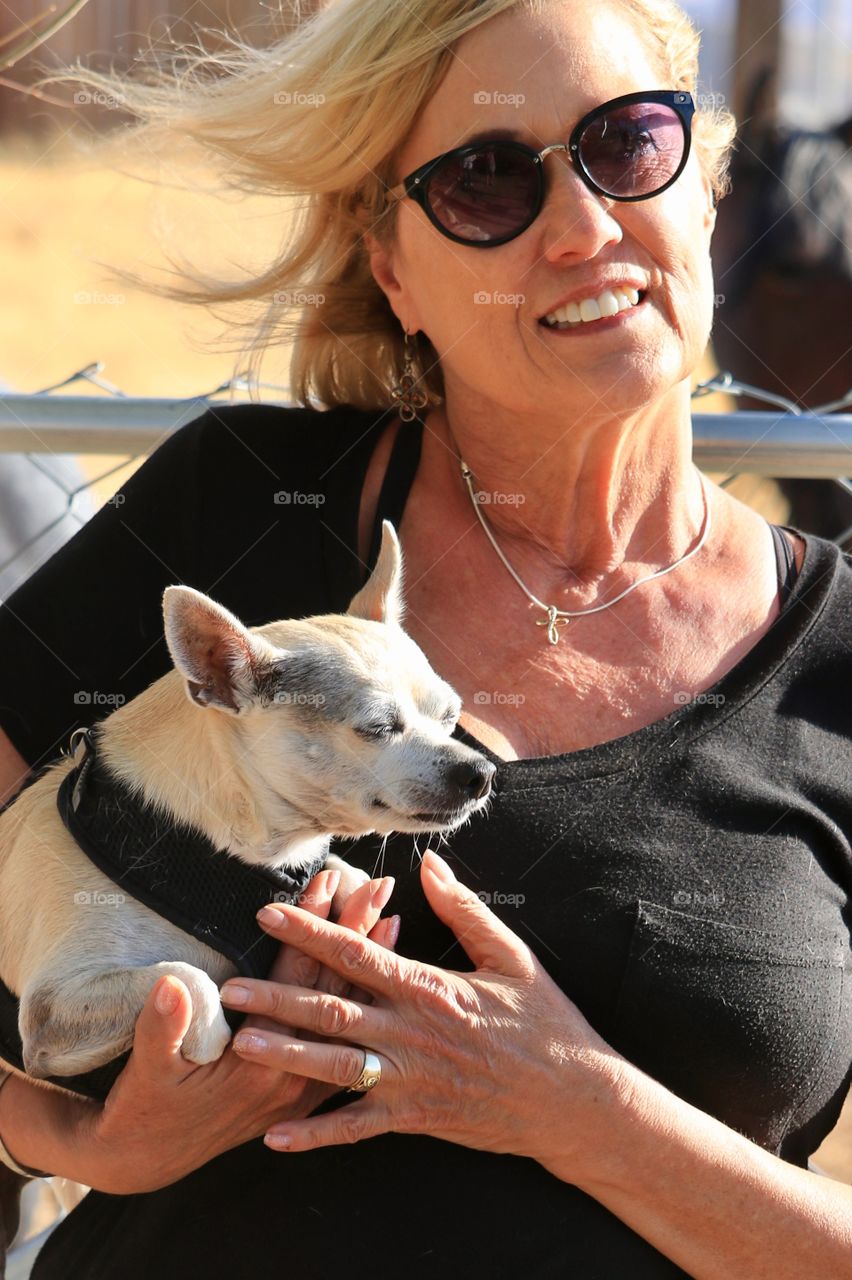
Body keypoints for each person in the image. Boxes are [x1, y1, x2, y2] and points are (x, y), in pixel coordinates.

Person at [0, 0, 849, 1275]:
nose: (581, 225)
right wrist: (81, 1138)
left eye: (626, 145)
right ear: (392, 267)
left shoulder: (836, 664)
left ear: (709, 185)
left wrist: (583, 1110)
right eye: (486, 180)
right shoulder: (237, 514)